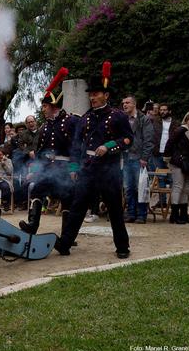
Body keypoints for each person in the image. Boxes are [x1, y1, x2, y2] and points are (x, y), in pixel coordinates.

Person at [55, 61, 133, 259]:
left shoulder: (118, 116)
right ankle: (64, 243)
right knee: (77, 207)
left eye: (96, 94)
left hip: (109, 170)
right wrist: (73, 166)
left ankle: (122, 247)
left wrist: (108, 146)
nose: (92, 97)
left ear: (106, 95)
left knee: (114, 210)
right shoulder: (86, 118)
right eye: (90, 94)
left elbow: (127, 139)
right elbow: (76, 144)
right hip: (87, 169)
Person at [19, 67, 79, 236]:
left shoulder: (70, 121)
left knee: (67, 199)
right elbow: (40, 153)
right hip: (48, 168)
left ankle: (67, 236)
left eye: (45, 106)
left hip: (65, 168)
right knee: (37, 188)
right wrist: (34, 170)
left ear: (53, 106)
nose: (42, 109)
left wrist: (74, 169)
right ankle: (32, 225)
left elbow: (76, 147)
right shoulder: (45, 127)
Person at [121, 96, 154, 224]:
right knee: (128, 188)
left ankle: (141, 215)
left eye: (127, 102)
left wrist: (145, 158)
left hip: (139, 158)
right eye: (123, 103)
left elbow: (149, 140)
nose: (124, 105)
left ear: (134, 104)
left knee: (139, 187)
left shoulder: (143, 119)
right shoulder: (122, 119)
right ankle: (131, 213)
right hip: (125, 157)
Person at [164, 111, 189, 225]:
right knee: (178, 187)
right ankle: (174, 215)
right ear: (186, 120)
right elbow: (169, 143)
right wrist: (167, 158)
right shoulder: (181, 130)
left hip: (188, 163)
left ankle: (183, 215)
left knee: (185, 189)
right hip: (178, 162)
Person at [151, 103, 180, 207]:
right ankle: (162, 201)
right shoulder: (155, 121)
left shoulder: (176, 123)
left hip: (171, 153)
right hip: (157, 152)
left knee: (172, 177)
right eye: (161, 110)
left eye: (165, 110)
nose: (162, 112)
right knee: (160, 177)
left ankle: (173, 201)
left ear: (170, 111)